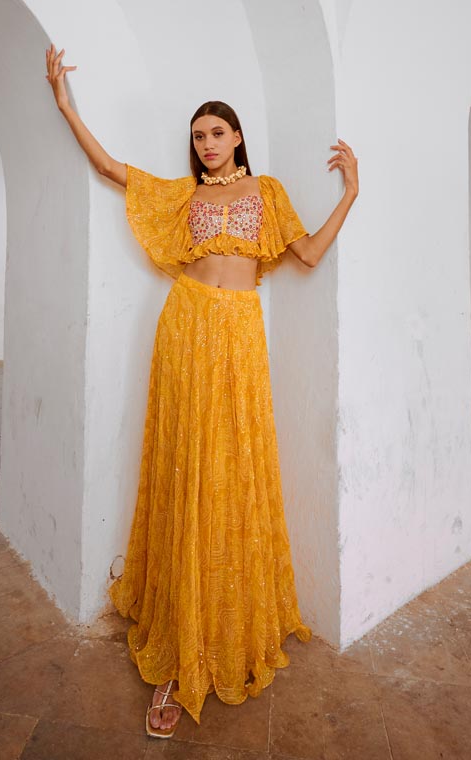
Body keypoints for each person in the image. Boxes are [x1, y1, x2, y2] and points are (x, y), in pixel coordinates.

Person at [45, 43, 359, 737]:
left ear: (237, 135)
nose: (206, 144)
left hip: (238, 333)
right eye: (197, 136)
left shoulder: (266, 192)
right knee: (186, 463)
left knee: (229, 469)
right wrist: (67, 105)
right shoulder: (182, 195)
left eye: (216, 133)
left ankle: (219, 626)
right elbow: (107, 168)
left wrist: (351, 194)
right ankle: (177, 650)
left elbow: (304, 253)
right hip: (183, 326)